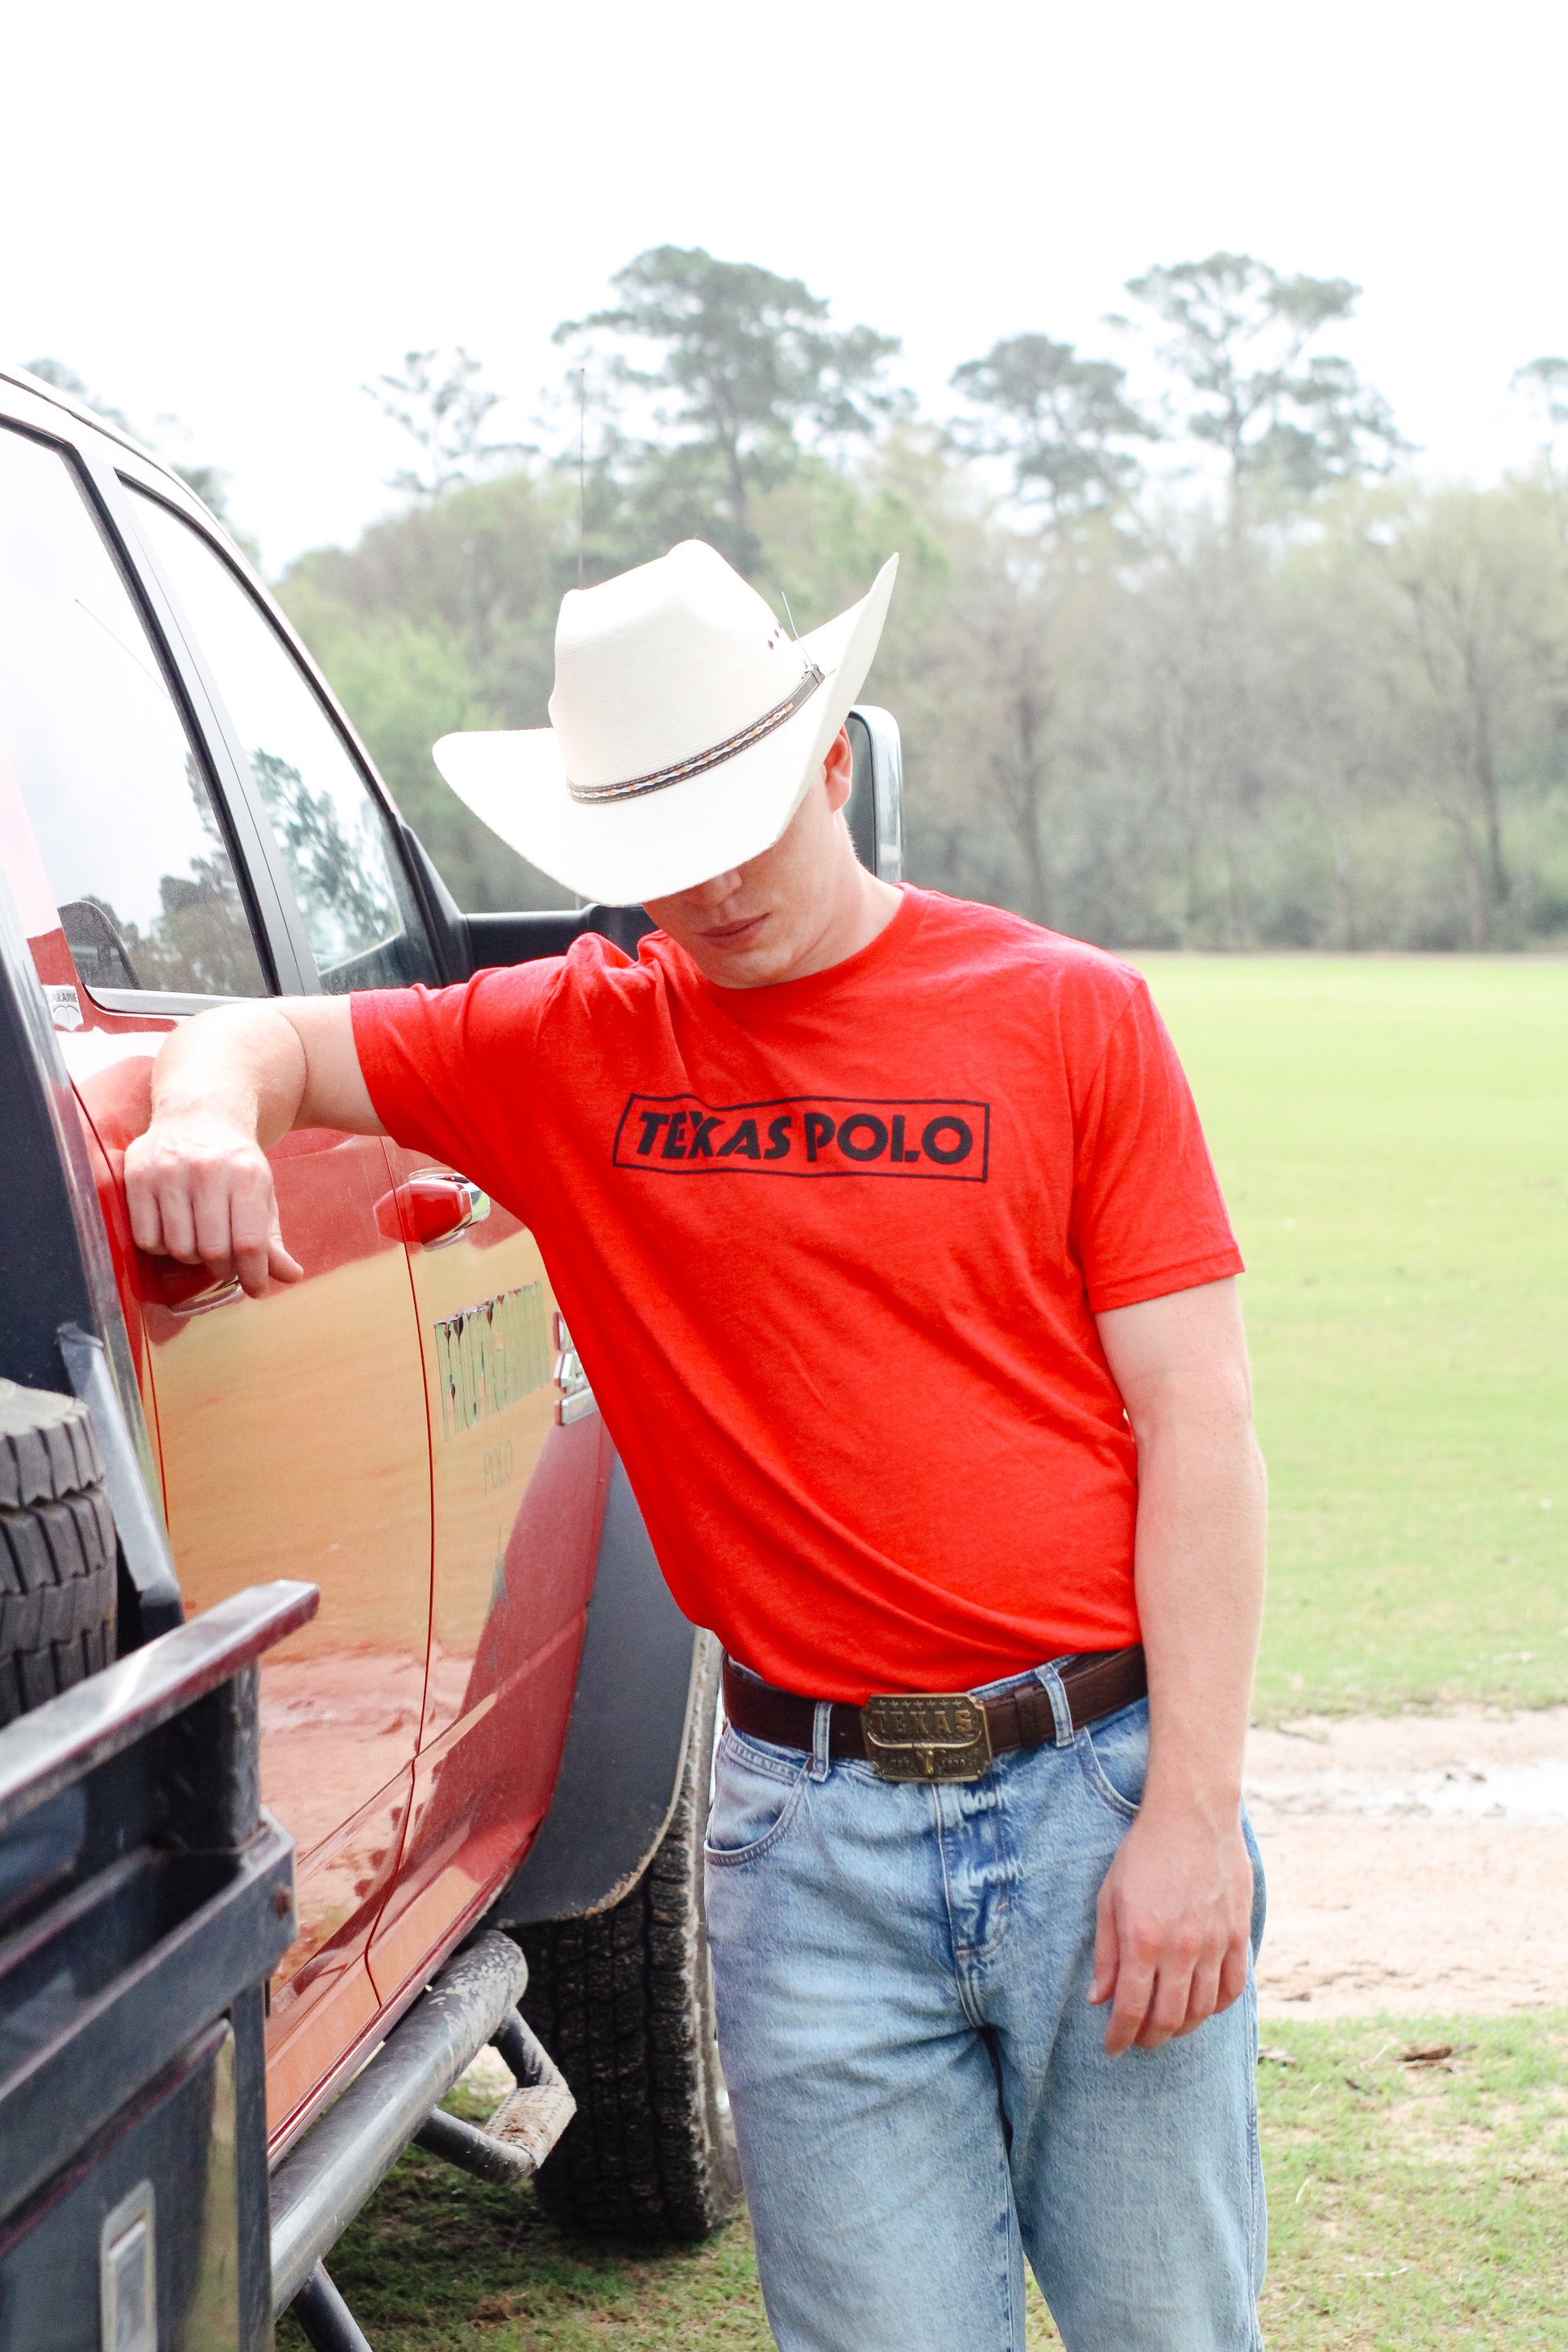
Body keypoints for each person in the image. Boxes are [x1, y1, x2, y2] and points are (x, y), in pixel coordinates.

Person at [127, 538, 1267, 2352]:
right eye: (656, 856)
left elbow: (1196, 1416)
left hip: (1092, 1787)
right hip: (801, 1837)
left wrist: (1193, 1814)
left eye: (743, 820)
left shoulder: (1066, 1015)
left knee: (1168, 2329)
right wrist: (200, 1116)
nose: (711, 887)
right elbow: (263, 1037)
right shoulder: (571, 1040)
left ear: (830, 765)